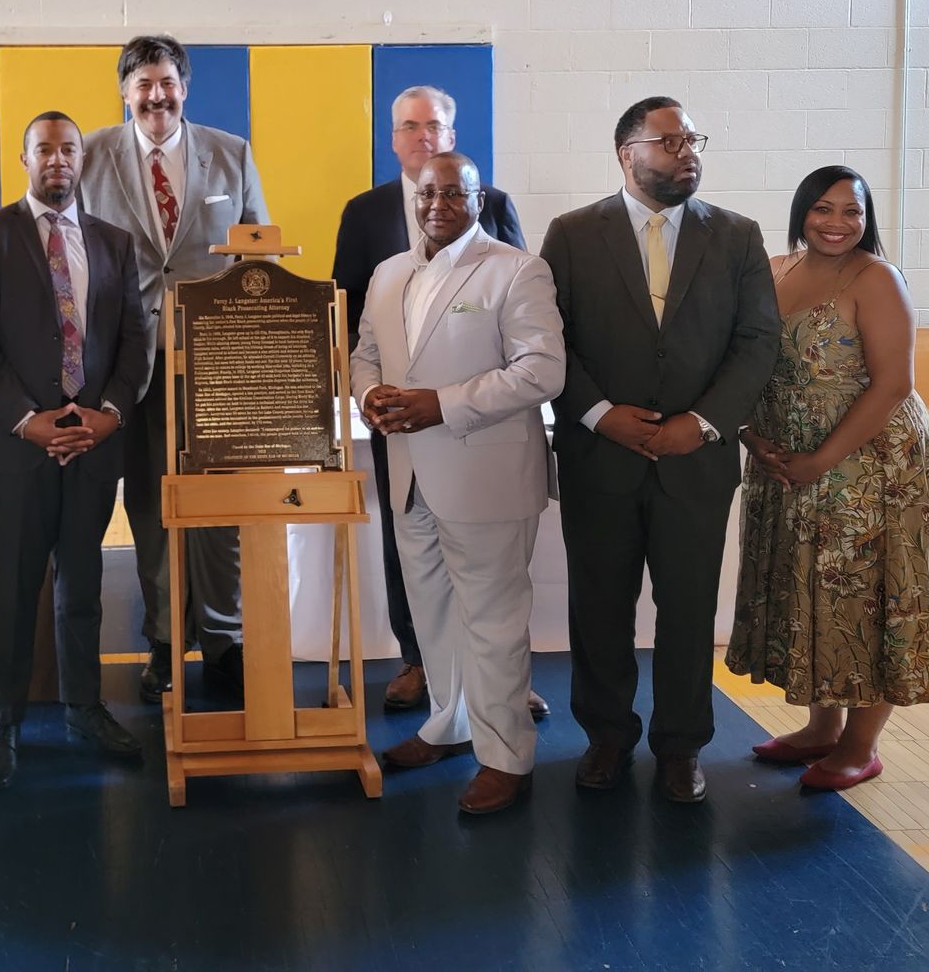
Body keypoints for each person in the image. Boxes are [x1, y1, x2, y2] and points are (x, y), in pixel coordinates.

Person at [539, 96, 778, 804]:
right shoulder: (573, 234)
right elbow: (550, 339)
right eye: (670, 142)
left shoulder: (736, 236)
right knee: (601, 608)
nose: (687, 153)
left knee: (687, 610)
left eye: (693, 140)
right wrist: (599, 414)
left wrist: (701, 422)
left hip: (694, 461)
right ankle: (607, 737)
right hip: (600, 458)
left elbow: (757, 341)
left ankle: (681, 746)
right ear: (627, 153)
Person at [726, 165, 929, 790]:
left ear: (867, 220)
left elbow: (894, 384)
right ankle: (821, 728)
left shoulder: (878, 279)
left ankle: (861, 745)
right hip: (787, 461)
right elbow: (744, 360)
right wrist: (751, 434)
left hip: (871, 468)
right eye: (823, 209)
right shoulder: (775, 269)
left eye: (851, 212)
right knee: (814, 592)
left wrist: (819, 460)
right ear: (801, 211)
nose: (836, 223)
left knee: (868, 595)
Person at [351, 153, 565, 816]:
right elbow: (364, 353)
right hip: (410, 475)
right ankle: (449, 724)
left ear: (479, 199)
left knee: (494, 623)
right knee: (435, 615)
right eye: (428, 192)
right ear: (412, 197)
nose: (438, 203)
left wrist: (438, 403)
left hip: (486, 476)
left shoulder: (515, 269)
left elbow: (543, 371)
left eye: (455, 192)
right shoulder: (388, 273)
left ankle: (508, 758)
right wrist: (370, 395)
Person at [332, 84, 546, 719]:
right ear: (394, 139)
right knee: (419, 574)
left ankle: (502, 708)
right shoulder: (367, 216)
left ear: (453, 138)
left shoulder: (502, 232)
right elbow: (354, 325)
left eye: (435, 126)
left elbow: (525, 337)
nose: (423, 137)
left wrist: (441, 403)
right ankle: (423, 670)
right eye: (410, 127)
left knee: (492, 602)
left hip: (480, 446)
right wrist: (368, 392)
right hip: (401, 439)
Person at [0, 112, 148, 789]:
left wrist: (109, 417)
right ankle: (4, 719)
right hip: (15, 448)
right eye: (46, 149)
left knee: (84, 585)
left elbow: (133, 342)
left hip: (91, 445)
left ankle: (84, 708)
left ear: (83, 160)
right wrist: (26, 420)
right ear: (24, 158)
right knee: (13, 588)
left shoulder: (115, 243)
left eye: (69, 149)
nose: (59, 160)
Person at [80, 34, 268, 704]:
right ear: (125, 91)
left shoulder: (231, 153)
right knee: (152, 508)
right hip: (124, 364)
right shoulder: (91, 155)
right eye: (144, 86)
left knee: (220, 514)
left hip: (212, 363)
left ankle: (225, 641)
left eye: (168, 84)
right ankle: (164, 639)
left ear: (185, 86)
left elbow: (260, 259)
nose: (157, 97)